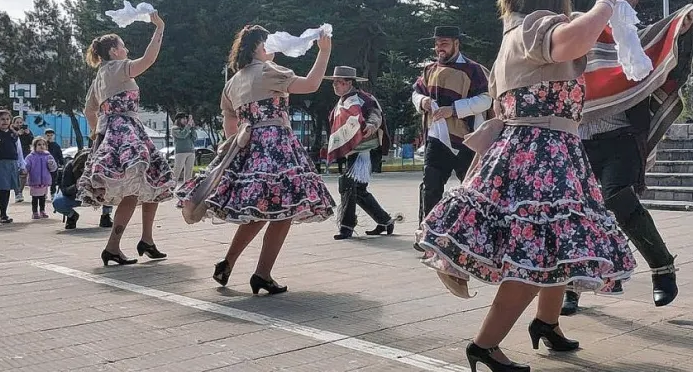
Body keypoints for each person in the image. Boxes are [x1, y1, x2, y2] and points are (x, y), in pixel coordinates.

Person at [418, 0, 636, 372]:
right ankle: (484, 345)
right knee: (537, 250)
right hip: (542, 152)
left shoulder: (516, 34)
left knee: (557, 244)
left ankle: (547, 323)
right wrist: (605, 6)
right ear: (553, 0)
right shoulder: (538, 26)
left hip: (540, 148)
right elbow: (570, 41)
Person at [563, 0, 693, 316]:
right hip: (579, 141)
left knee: (617, 198)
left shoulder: (641, 41)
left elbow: (669, 64)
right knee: (573, 212)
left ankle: (662, 267)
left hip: (621, 136)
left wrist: (678, 34)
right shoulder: (581, 35)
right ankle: (570, 288)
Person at [183, 25, 335, 295]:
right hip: (277, 145)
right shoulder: (268, 72)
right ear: (258, 46)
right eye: (268, 42)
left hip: (249, 146)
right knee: (283, 211)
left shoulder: (233, 81)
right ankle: (262, 274)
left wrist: (237, 144)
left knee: (258, 212)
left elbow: (229, 119)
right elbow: (311, 84)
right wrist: (324, 52)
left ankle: (228, 262)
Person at [78, 12, 174, 266]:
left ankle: (146, 240)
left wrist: (98, 135)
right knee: (137, 184)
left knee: (151, 181)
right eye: (122, 46)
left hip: (114, 130)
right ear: (113, 51)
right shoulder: (118, 68)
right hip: (127, 128)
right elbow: (149, 59)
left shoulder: (99, 77)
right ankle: (113, 246)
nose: (126, 49)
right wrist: (159, 28)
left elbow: (89, 110)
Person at [411, 26, 492, 248]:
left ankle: (475, 235)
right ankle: (428, 235)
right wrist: (422, 101)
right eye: (437, 44)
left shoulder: (473, 70)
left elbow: (486, 100)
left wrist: (454, 109)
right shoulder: (429, 69)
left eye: (444, 43)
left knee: (472, 188)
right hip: (437, 137)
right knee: (431, 186)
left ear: (457, 43)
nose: (439, 48)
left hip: (467, 138)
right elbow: (415, 92)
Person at [324, 66, 399, 240]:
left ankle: (346, 227)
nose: (334, 85)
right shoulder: (343, 101)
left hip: (365, 150)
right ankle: (385, 220)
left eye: (338, 82)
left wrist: (372, 125)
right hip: (353, 151)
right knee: (357, 189)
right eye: (334, 82)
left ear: (349, 83)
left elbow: (375, 114)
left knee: (349, 186)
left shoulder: (363, 99)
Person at [52, 148, 114, 229]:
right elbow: (65, 190)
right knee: (58, 202)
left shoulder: (101, 166)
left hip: (97, 196)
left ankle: (106, 216)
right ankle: (72, 216)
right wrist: (76, 187)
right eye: (82, 169)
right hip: (76, 197)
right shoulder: (69, 167)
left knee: (111, 192)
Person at [0, 110, 26, 224]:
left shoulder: (13, 134)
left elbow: (19, 150)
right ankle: (2, 214)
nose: (5, 122)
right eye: (2, 119)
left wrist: (22, 165)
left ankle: (4, 213)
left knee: (7, 189)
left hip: (11, 163)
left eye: (7, 119)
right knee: (2, 188)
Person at [24, 137, 58, 219]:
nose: (41, 146)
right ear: (34, 146)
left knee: (43, 197)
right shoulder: (30, 157)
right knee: (35, 198)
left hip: (44, 181)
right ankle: (35, 212)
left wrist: (51, 163)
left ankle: (42, 211)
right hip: (35, 181)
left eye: (43, 144)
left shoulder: (48, 156)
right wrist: (23, 170)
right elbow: (26, 166)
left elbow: (53, 168)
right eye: (39, 144)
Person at [12, 116, 34, 202]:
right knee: (15, 175)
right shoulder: (12, 131)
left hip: (25, 154)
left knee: (23, 174)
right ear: (13, 123)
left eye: (20, 122)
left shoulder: (27, 131)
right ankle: (16, 192)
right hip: (14, 154)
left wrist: (28, 134)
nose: (19, 124)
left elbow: (32, 142)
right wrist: (17, 134)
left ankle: (20, 192)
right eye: (17, 122)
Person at [171, 113, 197, 183]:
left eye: (186, 119)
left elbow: (194, 138)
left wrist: (192, 128)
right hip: (180, 152)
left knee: (189, 172)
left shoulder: (188, 128)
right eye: (183, 119)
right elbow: (182, 135)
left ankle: (186, 188)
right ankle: (171, 187)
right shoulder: (175, 129)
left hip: (191, 151)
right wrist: (188, 126)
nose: (185, 120)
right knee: (177, 171)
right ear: (178, 120)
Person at [44, 129, 65, 194]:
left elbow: (60, 155)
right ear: (45, 136)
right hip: (44, 165)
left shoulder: (56, 145)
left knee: (53, 180)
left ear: (54, 136)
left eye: (51, 135)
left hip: (54, 165)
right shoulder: (43, 145)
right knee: (44, 179)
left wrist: (62, 163)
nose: (49, 137)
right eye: (48, 135)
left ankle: (53, 193)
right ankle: (44, 193)